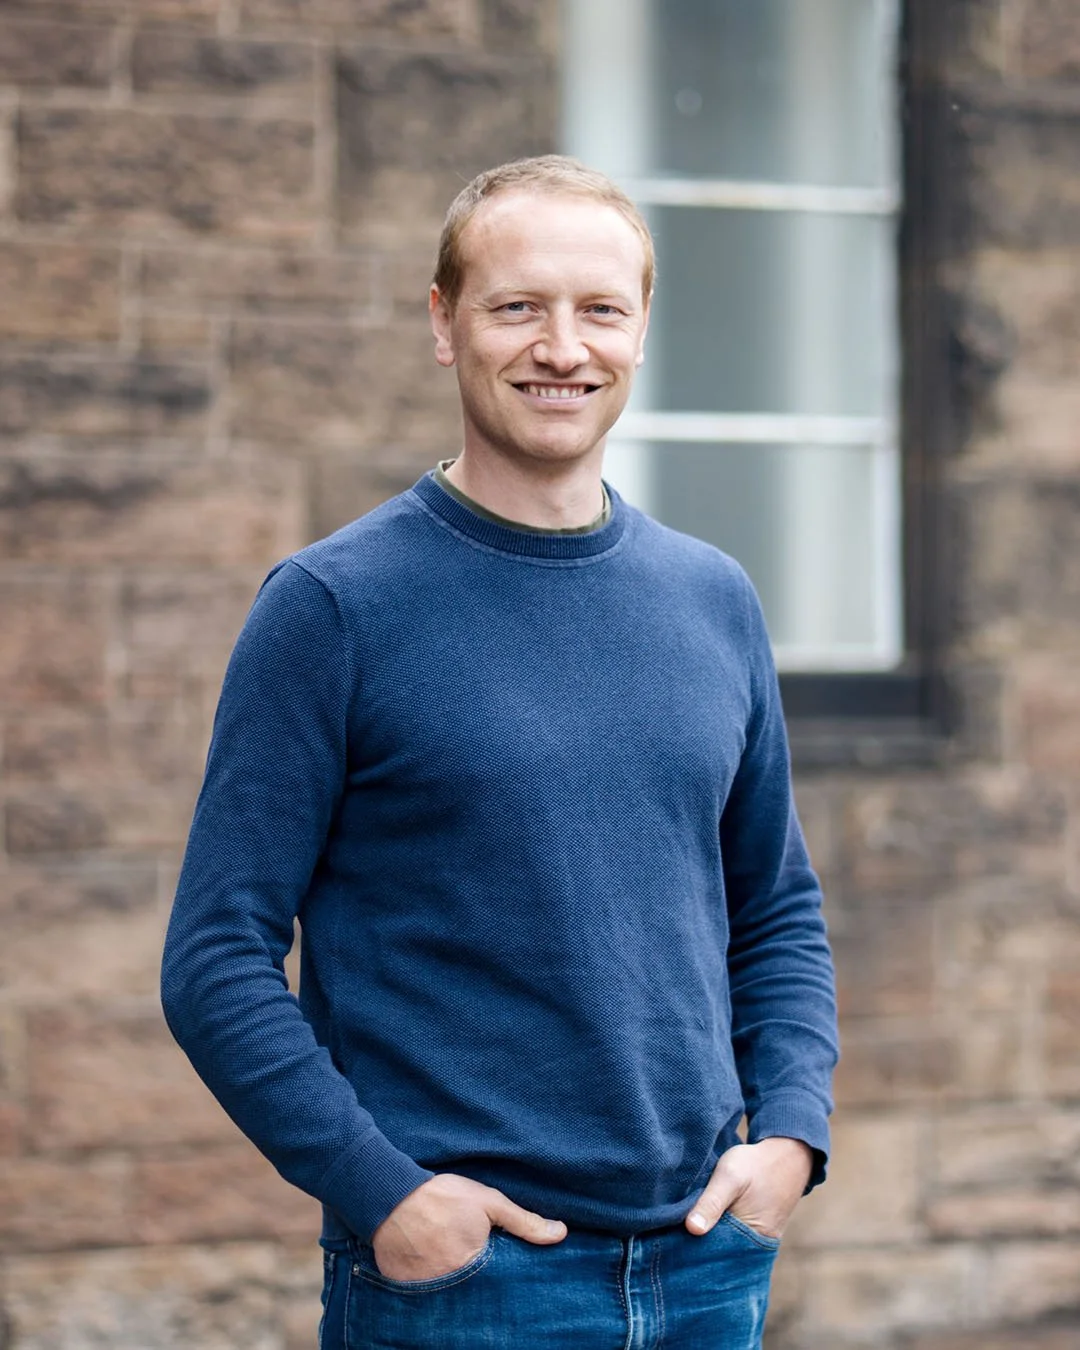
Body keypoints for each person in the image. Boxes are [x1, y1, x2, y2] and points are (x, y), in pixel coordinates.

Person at [161, 155, 838, 1349]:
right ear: (444, 323)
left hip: (703, 1267)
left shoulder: (712, 598)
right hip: (468, 1285)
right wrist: (388, 1199)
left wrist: (789, 1135)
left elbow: (774, 906)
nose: (561, 348)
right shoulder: (333, 607)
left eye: (600, 310)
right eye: (517, 306)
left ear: (640, 331)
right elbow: (216, 958)